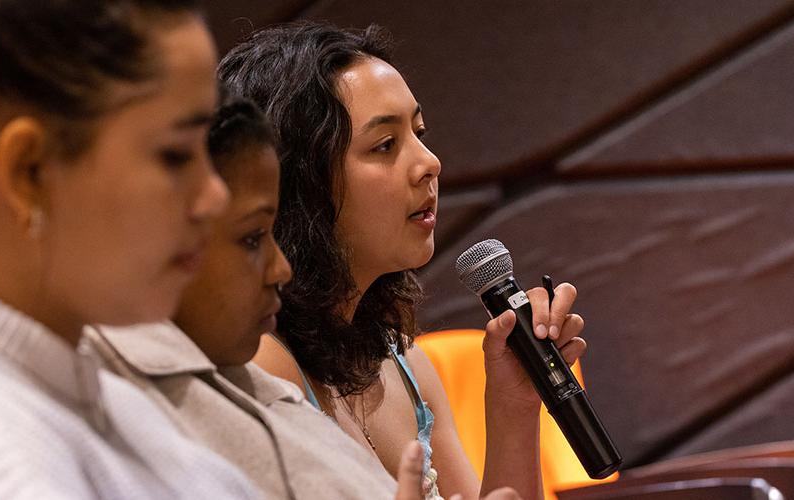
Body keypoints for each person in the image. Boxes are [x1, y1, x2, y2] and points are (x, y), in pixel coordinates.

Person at [219, 22, 587, 500]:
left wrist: (514, 408)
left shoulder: (406, 361)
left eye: (419, 132)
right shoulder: (262, 363)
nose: (429, 163)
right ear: (300, 181)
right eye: (385, 145)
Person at [0, 1, 263, 498]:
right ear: (29, 171)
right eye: (175, 155)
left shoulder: (103, 400)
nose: (215, 197)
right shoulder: (5, 464)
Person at [85, 97, 444, 500]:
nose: (279, 268)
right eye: (252, 238)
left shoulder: (248, 383)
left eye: (420, 132)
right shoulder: (243, 373)